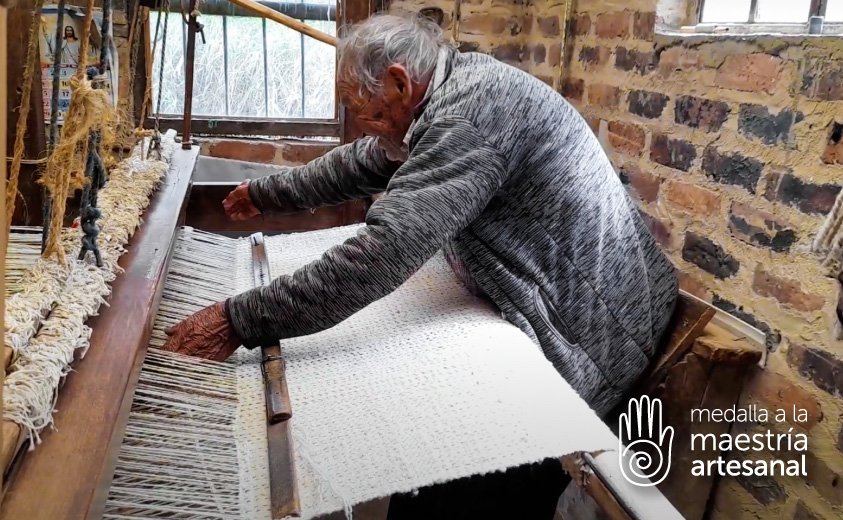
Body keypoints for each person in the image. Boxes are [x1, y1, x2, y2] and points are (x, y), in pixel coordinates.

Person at [162, 13, 677, 518]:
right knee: (433, 477)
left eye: (359, 107)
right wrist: (267, 192)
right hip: (565, 302)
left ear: (398, 84)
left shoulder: (469, 116)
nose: (359, 120)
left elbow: (383, 253)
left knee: (471, 485)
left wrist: (238, 320)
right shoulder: (446, 91)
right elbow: (368, 160)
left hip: (590, 333)